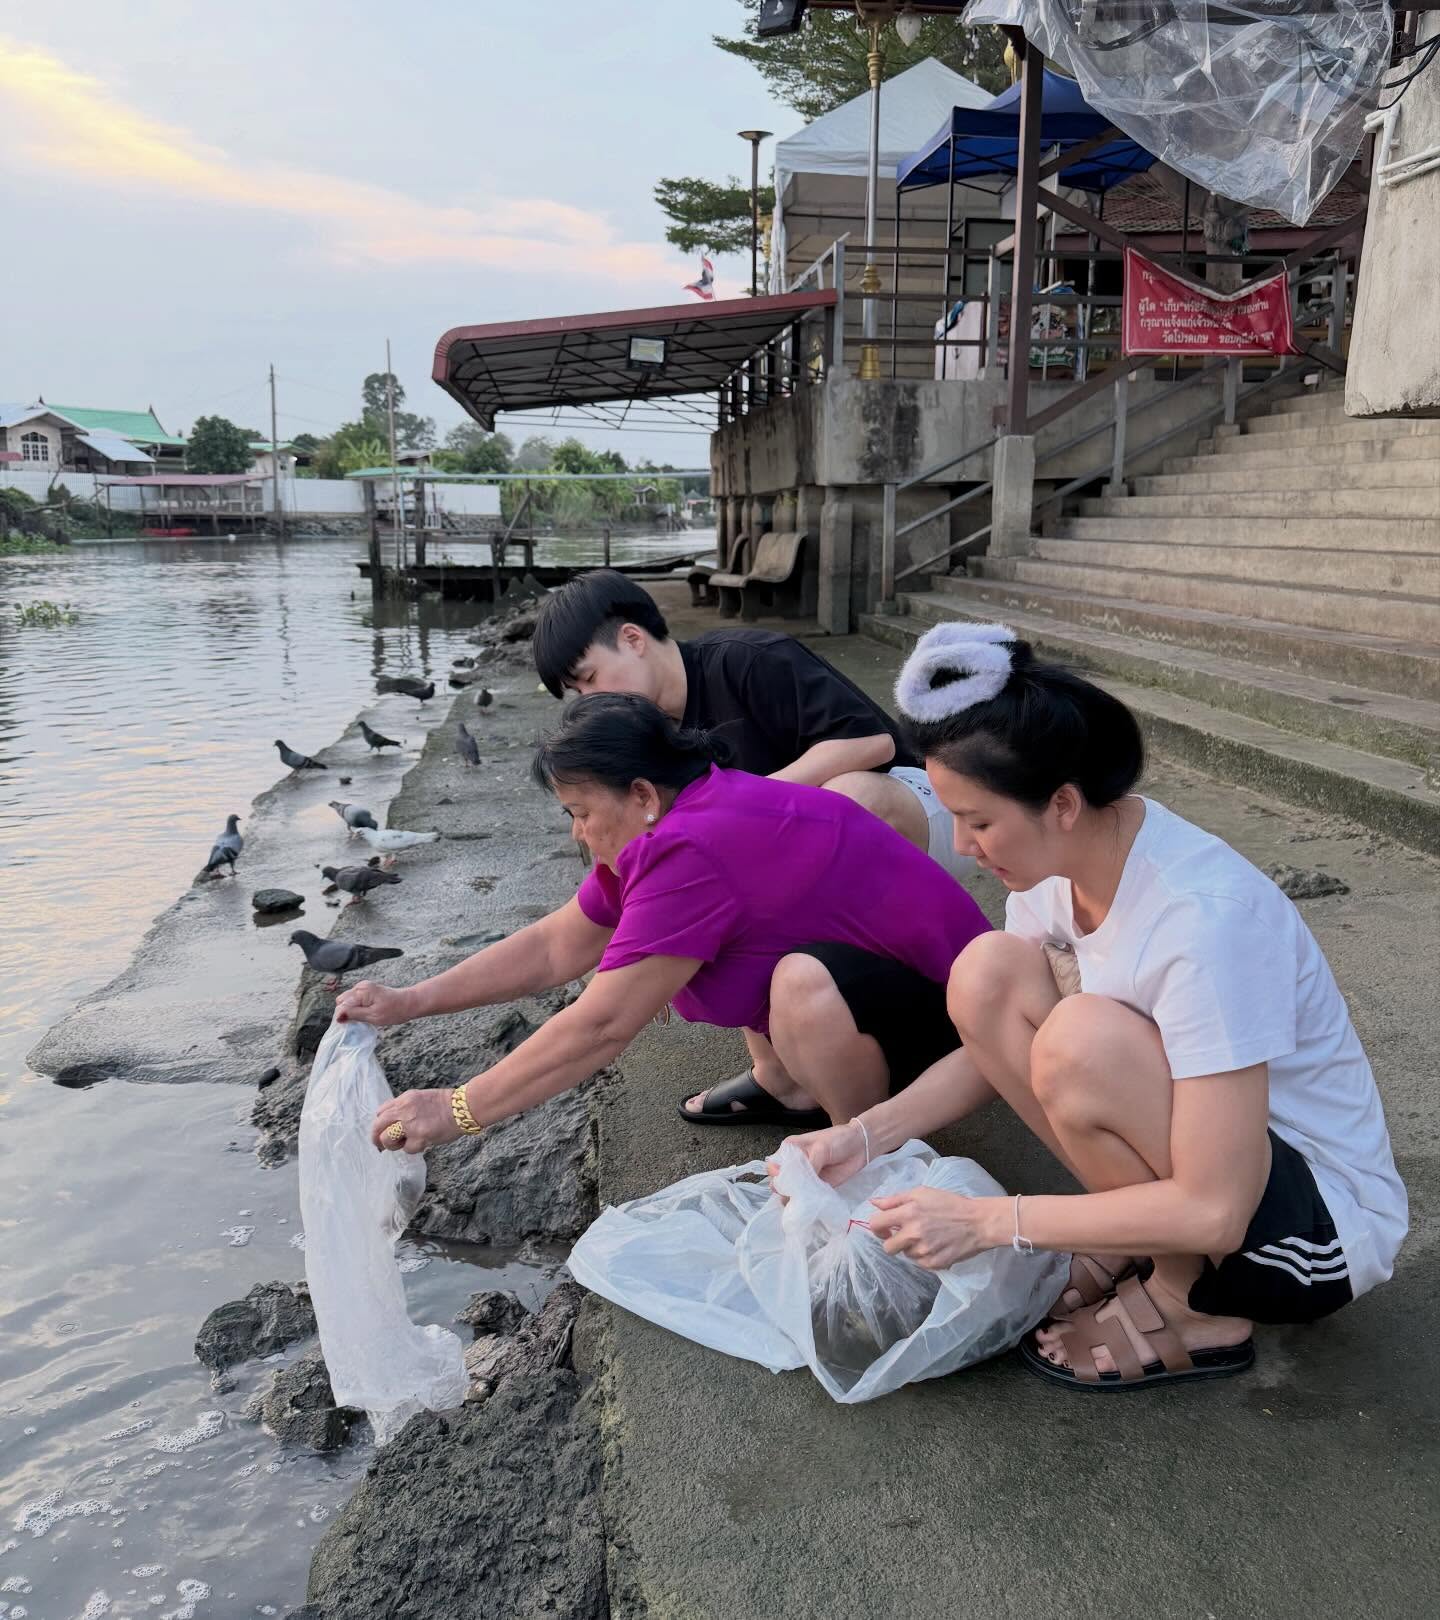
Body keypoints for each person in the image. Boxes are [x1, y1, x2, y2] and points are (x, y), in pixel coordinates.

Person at [782, 620, 1407, 1391]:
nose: (967, 846)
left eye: (979, 821)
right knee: (986, 972)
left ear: (1065, 803)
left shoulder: (1203, 922)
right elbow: (991, 1045)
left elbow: (1217, 1211)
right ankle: (1138, 1239)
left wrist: (992, 1221)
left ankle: (1189, 1302)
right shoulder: (1052, 871)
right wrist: (865, 1135)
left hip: (1308, 1234)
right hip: (1211, 1161)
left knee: (1081, 1040)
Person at [335, 692, 991, 1147]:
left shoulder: (691, 851)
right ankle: (791, 1087)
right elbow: (555, 947)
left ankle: (865, 1147)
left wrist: (458, 1110)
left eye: (579, 812)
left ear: (642, 794)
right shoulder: (687, 810)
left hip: (958, 1031)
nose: (576, 833)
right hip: (900, 992)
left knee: (800, 983)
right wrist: (408, 1001)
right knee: (766, 953)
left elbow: (602, 1025)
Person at [531, 569, 972, 882]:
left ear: (632, 638)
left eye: (590, 679)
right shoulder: (640, 731)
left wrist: (741, 801)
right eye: (578, 693)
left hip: (919, 810)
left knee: (849, 796)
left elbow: (871, 744)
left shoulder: (748, 660)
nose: (592, 700)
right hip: (798, 854)